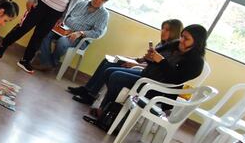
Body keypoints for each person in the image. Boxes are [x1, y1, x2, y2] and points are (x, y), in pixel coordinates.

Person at [72, 24, 206, 123]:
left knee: (116, 77)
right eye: (182, 36)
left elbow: (175, 79)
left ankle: (109, 114)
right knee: (109, 71)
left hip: (158, 88)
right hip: (147, 76)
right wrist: (150, 57)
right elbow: (156, 58)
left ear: (197, 42)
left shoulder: (196, 62)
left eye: (186, 39)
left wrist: (161, 61)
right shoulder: (174, 45)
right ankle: (106, 109)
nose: (182, 40)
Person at [34, 0, 111, 71]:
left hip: (80, 38)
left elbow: (97, 33)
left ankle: (49, 62)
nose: (98, 0)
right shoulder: (81, 3)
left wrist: (80, 33)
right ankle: (48, 62)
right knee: (43, 32)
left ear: (105, 2)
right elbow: (66, 15)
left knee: (62, 42)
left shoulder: (104, 14)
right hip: (64, 30)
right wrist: (60, 21)